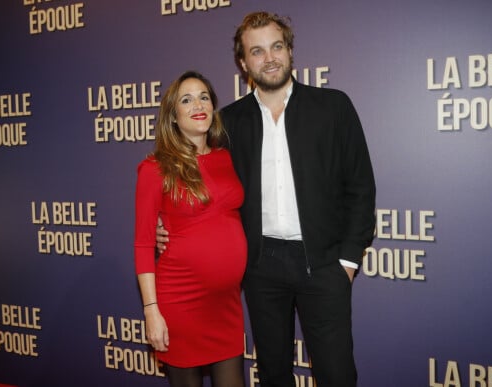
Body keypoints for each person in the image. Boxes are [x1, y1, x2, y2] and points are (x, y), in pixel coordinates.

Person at [158, 11, 376, 387]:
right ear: (244, 63)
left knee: (337, 374)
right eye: (257, 51)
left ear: (290, 51)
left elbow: (360, 186)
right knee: (273, 374)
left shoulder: (333, 107)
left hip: (324, 264)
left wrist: (347, 260)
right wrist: (169, 226)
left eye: (276, 46)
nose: (269, 57)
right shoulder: (228, 122)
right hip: (260, 268)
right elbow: (200, 182)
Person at [134, 70, 246, 387]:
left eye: (204, 97)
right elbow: (143, 245)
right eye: (187, 99)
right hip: (181, 303)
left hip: (226, 306)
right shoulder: (154, 169)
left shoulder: (226, 158)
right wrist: (151, 312)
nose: (198, 104)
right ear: (173, 115)